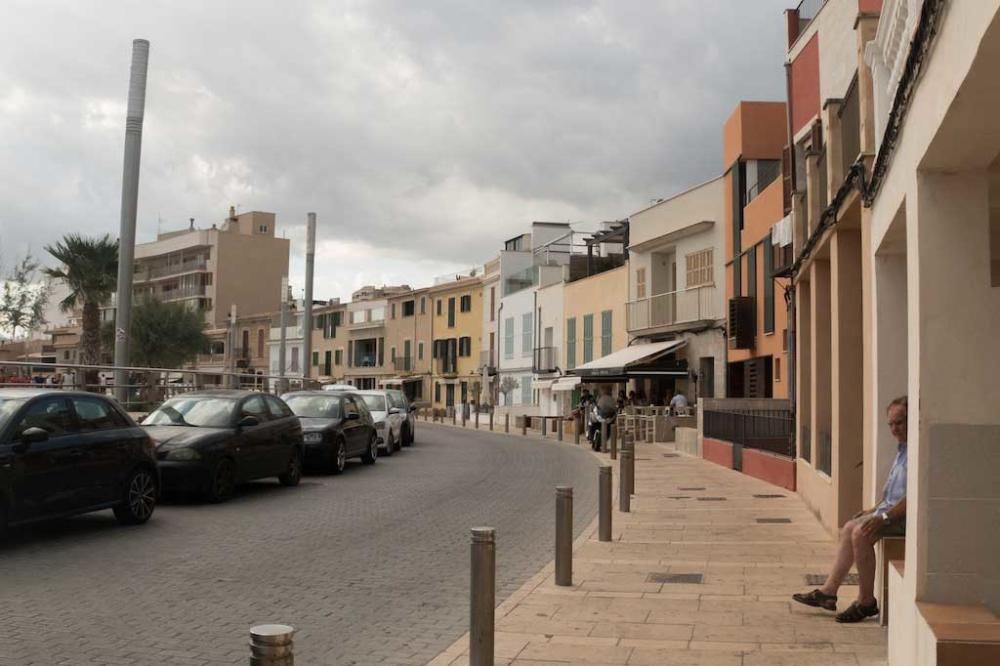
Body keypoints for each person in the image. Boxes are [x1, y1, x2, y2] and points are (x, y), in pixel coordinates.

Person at [792, 396, 908, 623]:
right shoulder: (902, 449)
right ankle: (828, 592)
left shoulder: (917, 451)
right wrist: (872, 510)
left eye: (900, 422)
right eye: (891, 424)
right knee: (849, 527)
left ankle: (866, 602)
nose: (895, 429)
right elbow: (893, 494)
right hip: (889, 512)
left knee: (860, 533)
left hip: (902, 517)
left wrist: (882, 517)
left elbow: (911, 498)